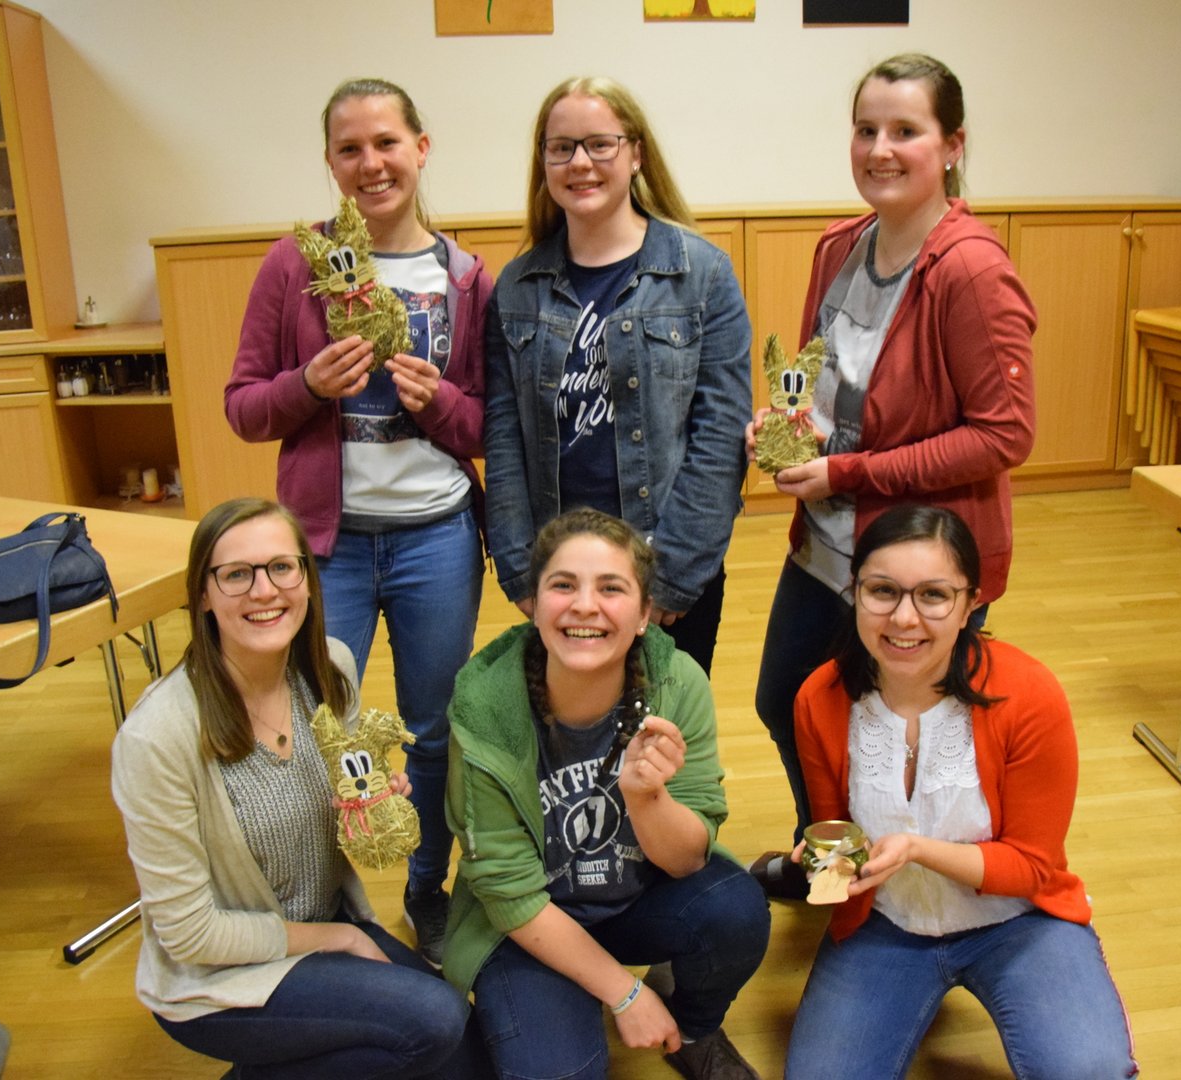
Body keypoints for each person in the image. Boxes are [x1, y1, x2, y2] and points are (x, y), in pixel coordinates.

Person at [749, 54, 1037, 882]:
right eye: (866, 129)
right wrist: (785, 428)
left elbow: (1004, 434)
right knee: (789, 703)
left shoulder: (971, 270)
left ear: (952, 145)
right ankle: (834, 862)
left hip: (920, 562)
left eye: (905, 130)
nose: (880, 148)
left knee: (898, 736)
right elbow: (825, 386)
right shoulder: (840, 246)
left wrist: (849, 474)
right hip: (827, 547)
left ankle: (902, 886)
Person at [224, 78, 492, 964]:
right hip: (322, 550)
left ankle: (427, 890)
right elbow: (243, 406)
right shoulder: (293, 264)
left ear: (422, 148)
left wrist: (438, 401)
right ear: (330, 164)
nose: (371, 164)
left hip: (436, 540)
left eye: (386, 143)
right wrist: (308, 386)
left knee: (433, 729)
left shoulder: (465, 278)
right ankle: (327, 903)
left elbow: (487, 425)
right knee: (310, 730)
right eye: (350, 149)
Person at [110, 498, 489, 1079]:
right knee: (434, 1021)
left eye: (282, 567)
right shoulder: (156, 737)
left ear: (308, 581)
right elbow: (190, 934)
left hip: (322, 928)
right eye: (237, 574)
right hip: (219, 973)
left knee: (470, 1053)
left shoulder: (330, 669)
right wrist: (339, 938)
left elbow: (335, 822)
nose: (264, 590)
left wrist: (372, 810)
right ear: (202, 594)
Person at [781, 504, 1136, 1079]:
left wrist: (916, 850)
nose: (904, 618)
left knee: (1089, 1070)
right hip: (886, 925)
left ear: (971, 602)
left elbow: (1033, 868)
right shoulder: (818, 699)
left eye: (933, 596)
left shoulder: (1029, 693)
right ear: (855, 591)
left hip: (1019, 923)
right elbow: (836, 850)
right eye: (882, 591)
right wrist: (825, 869)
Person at [443, 508, 769, 1080]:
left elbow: (688, 860)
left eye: (611, 588)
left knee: (735, 910)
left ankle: (692, 1029)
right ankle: (554, 1002)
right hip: (529, 924)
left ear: (644, 615)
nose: (585, 606)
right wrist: (624, 993)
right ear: (533, 604)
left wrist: (647, 799)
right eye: (563, 585)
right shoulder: (483, 708)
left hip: (633, 902)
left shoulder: (677, 683)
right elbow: (510, 895)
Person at [484, 76, 752, 676]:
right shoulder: (517, 287)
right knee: (571, 724)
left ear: (636, 154)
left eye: (600, 144)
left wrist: (673, 577)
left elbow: (719, 437)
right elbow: (503, 440)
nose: (580, 162)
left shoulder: (701, 275)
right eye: (561, 148)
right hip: (561, 574)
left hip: (667, 569)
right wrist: (523, 572)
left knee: (665, 725)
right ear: (544, 162)